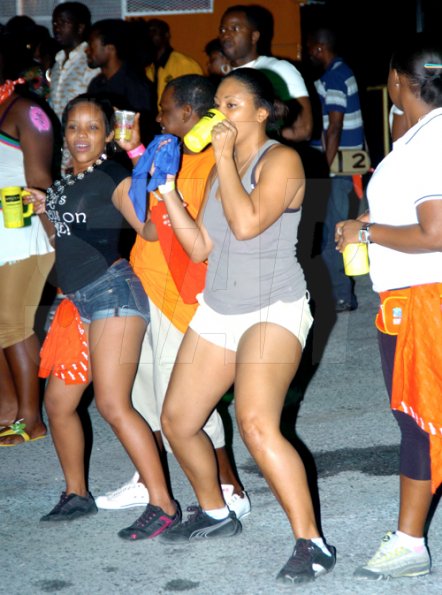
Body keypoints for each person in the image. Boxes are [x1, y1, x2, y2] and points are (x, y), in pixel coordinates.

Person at [154, 68, 336, 584]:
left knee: (257, 424)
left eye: (231, 105)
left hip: (273, 309)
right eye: (218, 105)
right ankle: (215, 512)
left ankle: (312, 542)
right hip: (220, 307)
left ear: (261, 113)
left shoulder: (284, 160)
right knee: (178, 421)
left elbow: (249, 222)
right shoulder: (220, 168)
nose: (219, 114)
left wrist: (221, 159)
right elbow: (202, 248)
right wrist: (167, 190)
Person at [95, 74, 251, 519]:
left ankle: (229, 485)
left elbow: (199, 233)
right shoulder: (172, 152)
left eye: (165, 110)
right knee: (143, 392)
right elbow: (149, 213)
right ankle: (150, 480)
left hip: (182, 295)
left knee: (186, 400)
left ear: (188, 113)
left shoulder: (215, 163)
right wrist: (135, 153)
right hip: (144, 280)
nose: (160, 117)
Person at [27, 94, 181, 540]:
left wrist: (153, 186)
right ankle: (77, 494)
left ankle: (163, 503)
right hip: (74, 302)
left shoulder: (113, 175)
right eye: (74, 126)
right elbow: (64, 241)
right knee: (58, 405)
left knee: (114, 404)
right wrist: (44, 211)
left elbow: (148, 228)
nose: (81, 136)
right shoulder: (59, 185)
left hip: (112, 292)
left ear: (109, 134)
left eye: (93, 128)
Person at [335, 34, 442, 580]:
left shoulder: (431, 142)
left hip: (424, 300)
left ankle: (410, 543)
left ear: (399, 82)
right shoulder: (421, 136)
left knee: (418, 421)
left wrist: (367, 228)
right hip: (414, 295)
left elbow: (435, 233)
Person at [0, 32, 55, 445]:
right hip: (3, 235)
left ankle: (31, 419)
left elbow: (40, 182)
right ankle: (7, 410)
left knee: (15, 325)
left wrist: (60, 238)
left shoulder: (28, 111)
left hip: (25, 235)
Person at [306, 27, 365, 313]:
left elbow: (335, 126)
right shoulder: (342, 71)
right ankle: (341, 292)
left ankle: (341, 295)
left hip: (337, 168)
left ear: (319, 48)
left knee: (333, 232)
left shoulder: (334, 76)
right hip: (343, 165)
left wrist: (324, 169)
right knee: (336, 229)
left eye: (310, 49)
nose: (308, 55)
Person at [219, 4, 313, 142]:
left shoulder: (279, 69)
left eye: (235, 28)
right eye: (222, 29)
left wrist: (259, 141)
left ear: (254, 36)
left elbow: (304, 129)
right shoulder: (226, 79)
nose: (225, 35)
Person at [86, 19, 157, 145]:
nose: (87, 50)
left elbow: (143, 130)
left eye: (91, 45)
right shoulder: (96, 84)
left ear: (110, 48)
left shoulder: (135, 84)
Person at [49, 2, 99, 122]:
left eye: (64, 23)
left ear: (80, 28)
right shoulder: (58, 60)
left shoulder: (90, 60)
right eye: (55, 23)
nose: (57, 28)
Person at [144, 18, 203, 107]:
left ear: (166, 35)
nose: (150, 35)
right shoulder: (149, 68)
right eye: (148, 32)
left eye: (154, 31)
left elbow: (198, 99)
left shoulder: (185, 64)